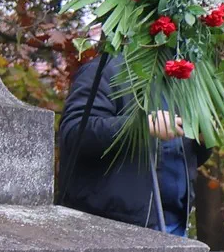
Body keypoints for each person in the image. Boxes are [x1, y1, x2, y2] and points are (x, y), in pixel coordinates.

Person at [56, 51, 204, 238]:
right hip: (111, 229)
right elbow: (75, 132)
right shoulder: (106, 69)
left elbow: (177, 155)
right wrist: (140, 127)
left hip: (174, 226)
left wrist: (203, 142)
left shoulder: (180, 78)